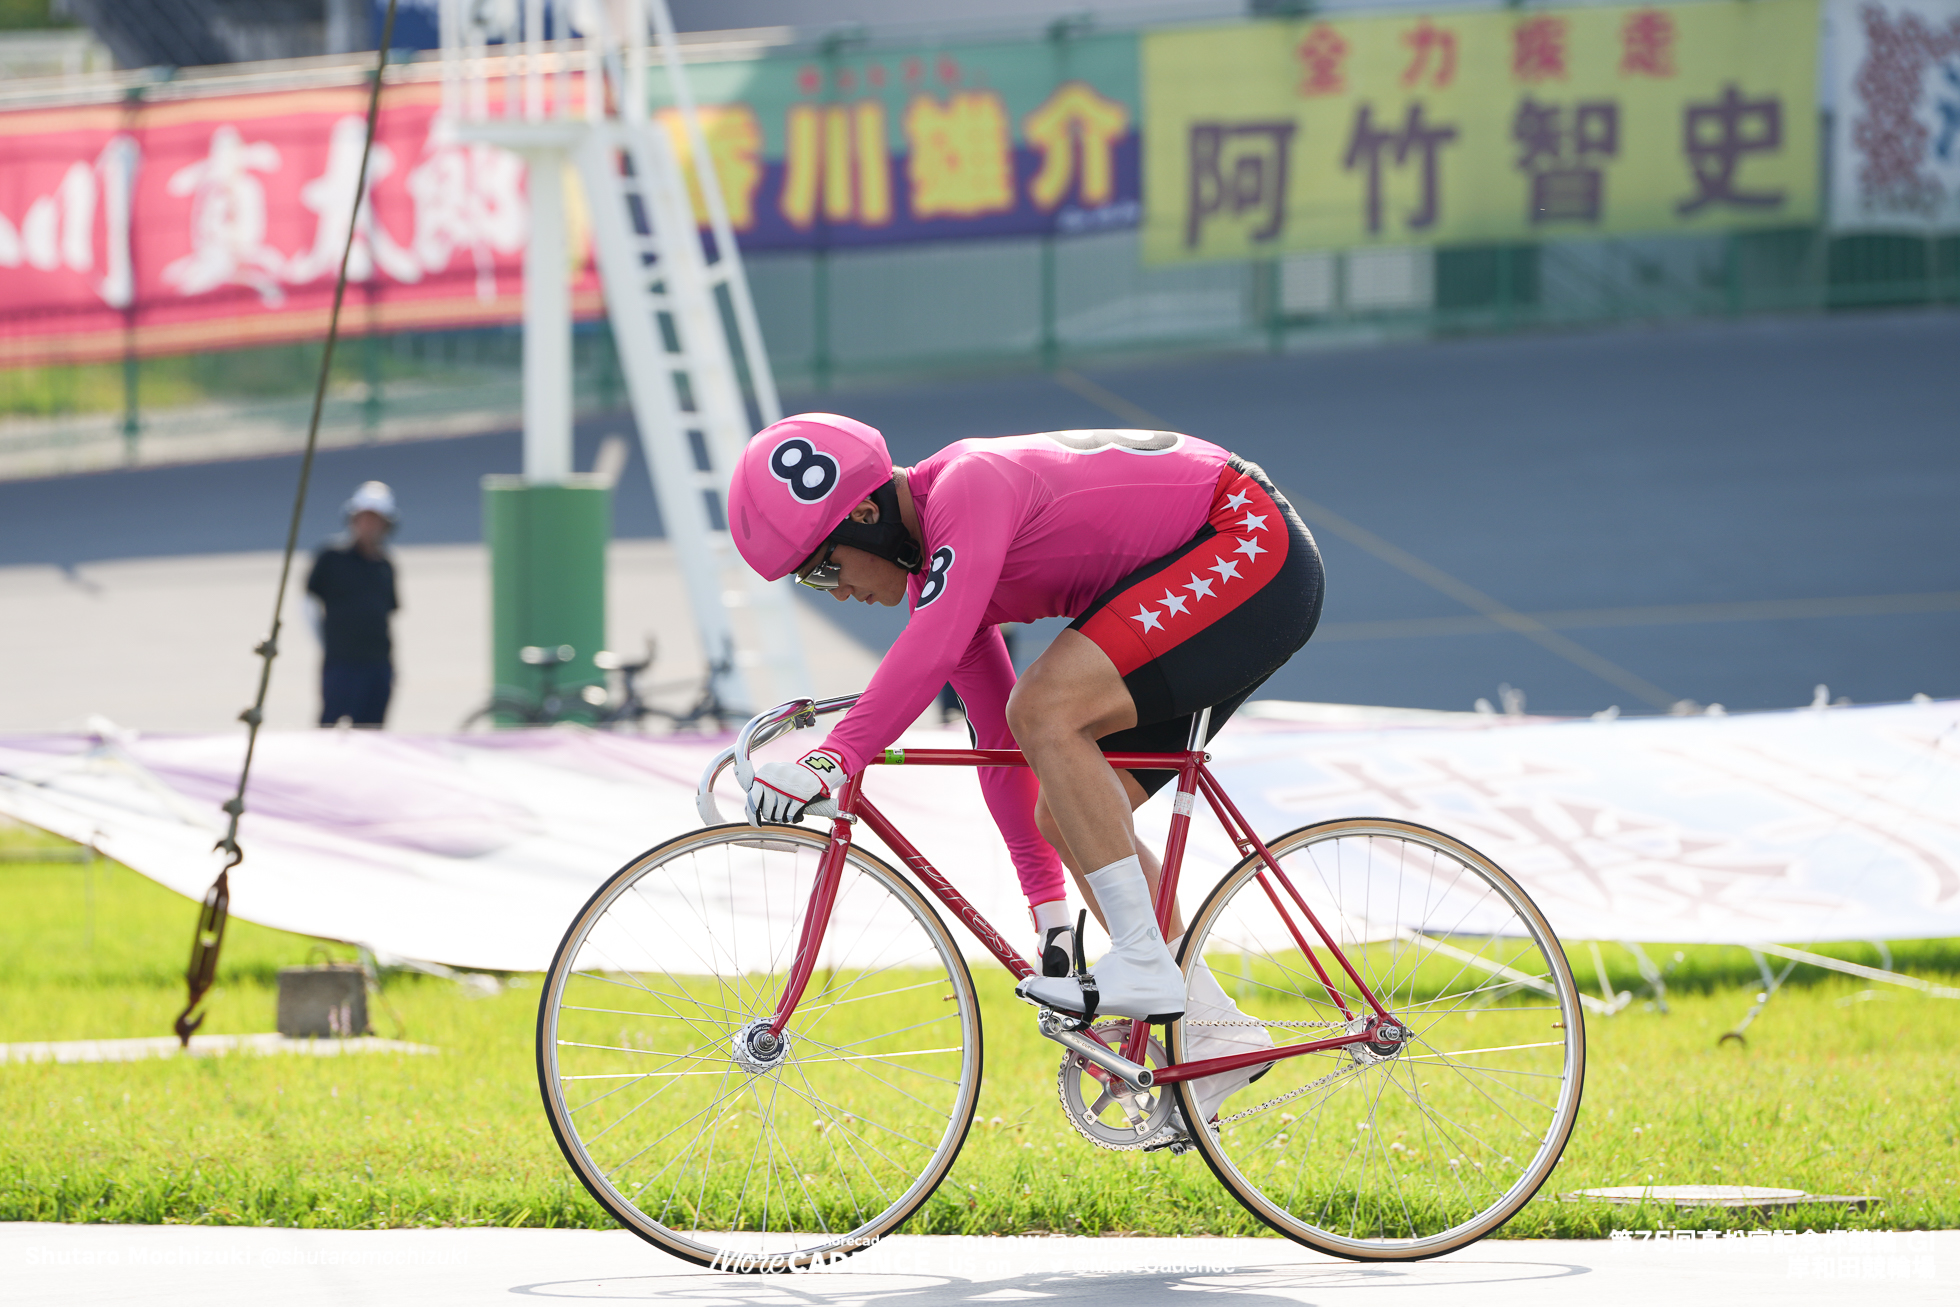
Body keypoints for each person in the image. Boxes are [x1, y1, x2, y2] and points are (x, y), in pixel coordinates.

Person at [728, 416, 1323, 1126]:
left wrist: (834, 755)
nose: (829, 590)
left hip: (1246, 541)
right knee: (1059, 803)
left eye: (822, 567)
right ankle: (1215, 1032)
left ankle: (1143, 957)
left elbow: (936, 647)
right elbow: (1000, 749)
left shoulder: (968, 487)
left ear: (864, 514)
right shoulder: (939, 570)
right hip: (1225, 557)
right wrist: (1048, 913)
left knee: (1045, 706)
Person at [306, 481, 399, 728]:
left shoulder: (385, 565)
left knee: (373, 729)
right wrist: (325, 641)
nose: (369, 526)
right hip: (342, 662)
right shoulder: (332, 557)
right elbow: (308, 600)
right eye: (363, 518)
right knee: (331, 725)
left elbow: (387, 612)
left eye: (375, 519)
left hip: (378, 662)